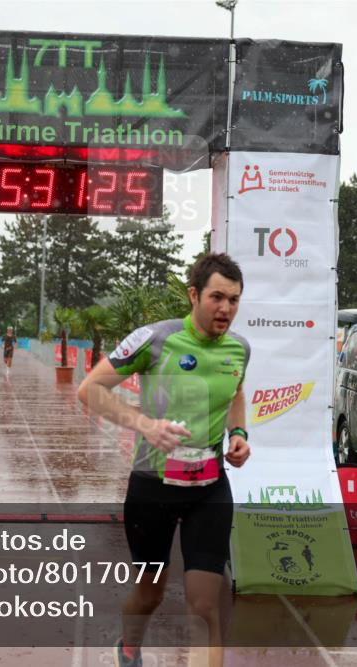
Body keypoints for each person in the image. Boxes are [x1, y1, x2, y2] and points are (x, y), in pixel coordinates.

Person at [77, 254, 252, 667]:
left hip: (210, 488)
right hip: (152, 486)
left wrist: (239, 434)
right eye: (216, 297)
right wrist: (144, 424)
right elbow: (90, 389)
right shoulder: (155, 339)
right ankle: (129, 647)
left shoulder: (240, 349)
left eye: (234, 299)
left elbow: (237, 393)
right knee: (150, 592)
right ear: (193, 295)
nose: (226, 308)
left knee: (206, 605)